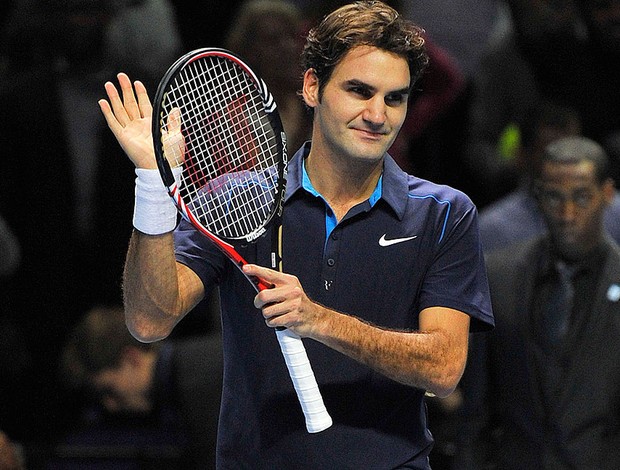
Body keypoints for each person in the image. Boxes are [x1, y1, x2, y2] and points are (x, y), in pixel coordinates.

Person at [98, 2, 494, 467]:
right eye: (359, 91)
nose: (377, 114)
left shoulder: (444, 213)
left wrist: (319, 321)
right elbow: (149, 320)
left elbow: (444, 367)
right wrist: (151, 183)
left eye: (394, 98)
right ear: (312, 87)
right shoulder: (236, 199)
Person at [455, 136, 620, 469]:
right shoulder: (497, 276)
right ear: (537, 197)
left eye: (582, 197)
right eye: (554, 197)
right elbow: (475, 410)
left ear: (607, 194)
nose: (567, 213)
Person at [57, 305, 223, 469]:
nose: (110, 405)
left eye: (109, 390)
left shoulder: (196, 389)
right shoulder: (191, 374)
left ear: (131, 358)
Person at [478, 101, 620, 252]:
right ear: (522, 156)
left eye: (573, 150)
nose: (566, 165)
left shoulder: (616, 212)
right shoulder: (492, 229)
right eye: (550, 153)